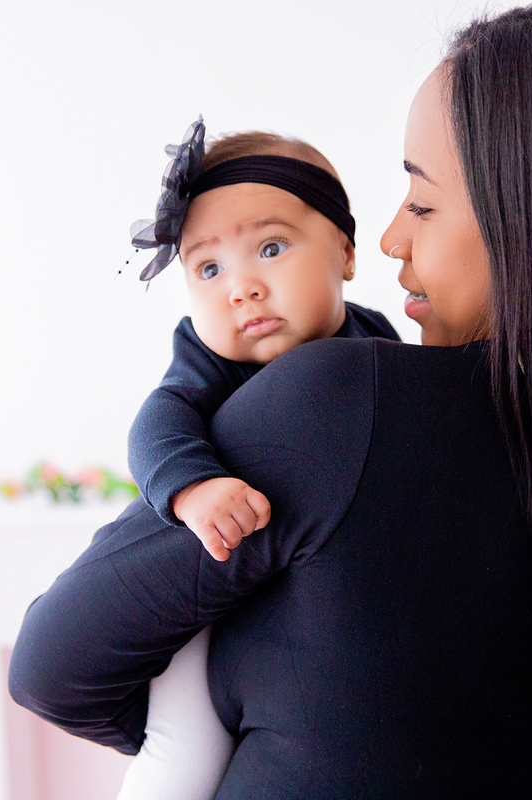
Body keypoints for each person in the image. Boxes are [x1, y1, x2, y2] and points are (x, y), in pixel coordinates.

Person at [9, 1, 532, 796]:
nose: (393, 237)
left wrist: (226, 725)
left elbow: (54, 667)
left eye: (423, 203)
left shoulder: (342, 409)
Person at [119, 125, 400, 798]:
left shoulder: (377, 343)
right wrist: (196, 490)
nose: (240, 288)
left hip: (312, 605)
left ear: (344, 250)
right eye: (208, 269)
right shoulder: (207, 358)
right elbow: (157, 424)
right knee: (182, 751)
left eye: (270, 249)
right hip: (209, 599)